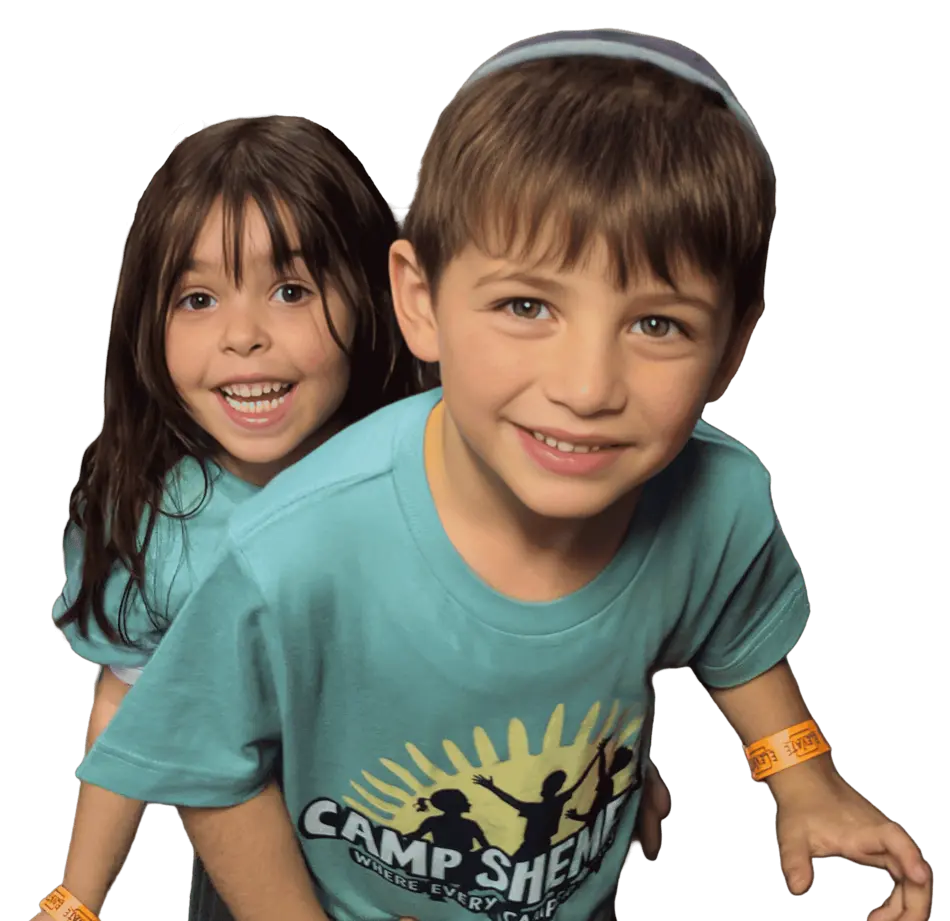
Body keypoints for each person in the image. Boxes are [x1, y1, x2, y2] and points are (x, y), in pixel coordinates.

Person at [68, 28, 931, 921]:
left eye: (658, 324)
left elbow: (735, 630)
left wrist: (803, 775)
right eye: (527, 305)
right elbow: (212, 764)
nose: (587, 388)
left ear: (732, 348)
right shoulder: (291, 548)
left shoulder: (719, 501)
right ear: (421, 303)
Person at [39, 112, 425, 921]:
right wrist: (78, 894)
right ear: (148, 319)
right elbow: (127, 711)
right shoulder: (159, 524)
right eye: (198, 297)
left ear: (373, 295)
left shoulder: (437, 475)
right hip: (255, 874)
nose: (243, 336)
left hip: (451, 853)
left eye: (291, 290)